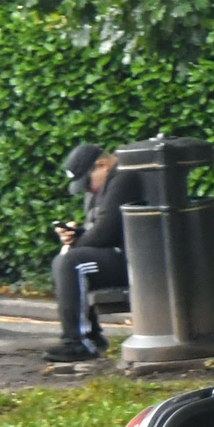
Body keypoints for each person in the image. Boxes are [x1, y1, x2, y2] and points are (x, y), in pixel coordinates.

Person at [48, 143, 135, 360]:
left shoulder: (123, 179)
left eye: (87, 183)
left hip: (136, 260)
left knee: (71, 262)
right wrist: (75, 234)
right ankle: (90, 337)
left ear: (102, 165)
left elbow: (105, 233)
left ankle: (77, 342)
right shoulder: (103, 184)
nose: (88, 190)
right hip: (119, 254)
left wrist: (77, 242)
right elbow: (95, 230)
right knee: (65, 260)